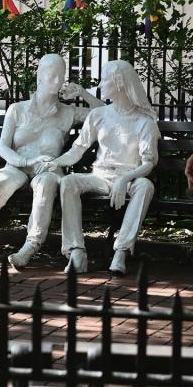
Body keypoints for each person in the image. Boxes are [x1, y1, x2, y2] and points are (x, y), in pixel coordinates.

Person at [0, 54, 103, 268]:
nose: (57, 81)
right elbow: (3, 147)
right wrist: (25, 160)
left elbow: (104, 113)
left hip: (48, 169)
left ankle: (31, 245)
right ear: (39, 76)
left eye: (60, 77)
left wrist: (82, 93)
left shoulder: (67, 112)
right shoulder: (17, 109)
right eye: (52, 75)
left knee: (46, 184)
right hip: (17, 165)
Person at [48, 60, 159, 275]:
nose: (100, 85)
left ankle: (121, 251)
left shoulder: (145, 122)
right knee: (69, 182)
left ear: (120, 83)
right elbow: (77, 150)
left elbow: (148, 163)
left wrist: (124, 180)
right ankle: (76, 252)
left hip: (130, 179)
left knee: (146, 186)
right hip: (100, 176)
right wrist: (55, 162)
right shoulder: (98, 115)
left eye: (104, 80)